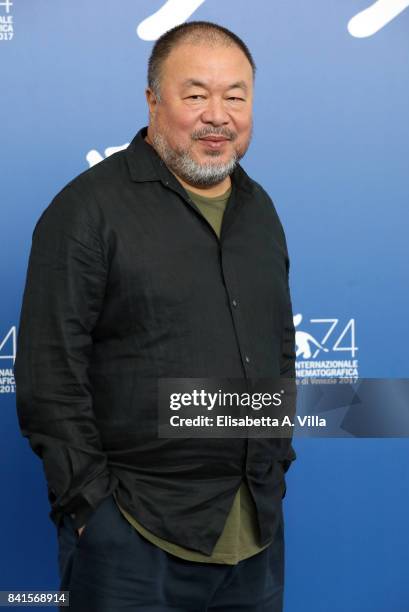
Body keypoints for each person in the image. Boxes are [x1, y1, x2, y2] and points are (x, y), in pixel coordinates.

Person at [14, 20, 296, 612]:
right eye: (195, 95)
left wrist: (275, 463)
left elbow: (279, 351)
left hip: (255, 538)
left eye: (235, 96)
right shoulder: (86, 211)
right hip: (134, 543)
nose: (217, 115)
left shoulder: (260, 210)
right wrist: (92, 511)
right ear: (152, 101)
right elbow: (49, 378)